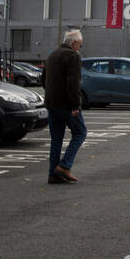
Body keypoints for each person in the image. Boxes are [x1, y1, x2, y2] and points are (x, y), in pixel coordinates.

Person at [44, 28, 87, 184]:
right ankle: (64, 166)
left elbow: (44, 80)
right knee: (80, 132)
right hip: (66, 105)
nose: (79, 48)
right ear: (74, 42)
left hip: (51, 104)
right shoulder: (73, 56)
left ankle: (53, 173)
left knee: (56, 139)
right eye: (80, 45)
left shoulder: (52, 55)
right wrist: (76, 105)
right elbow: (73, 83)